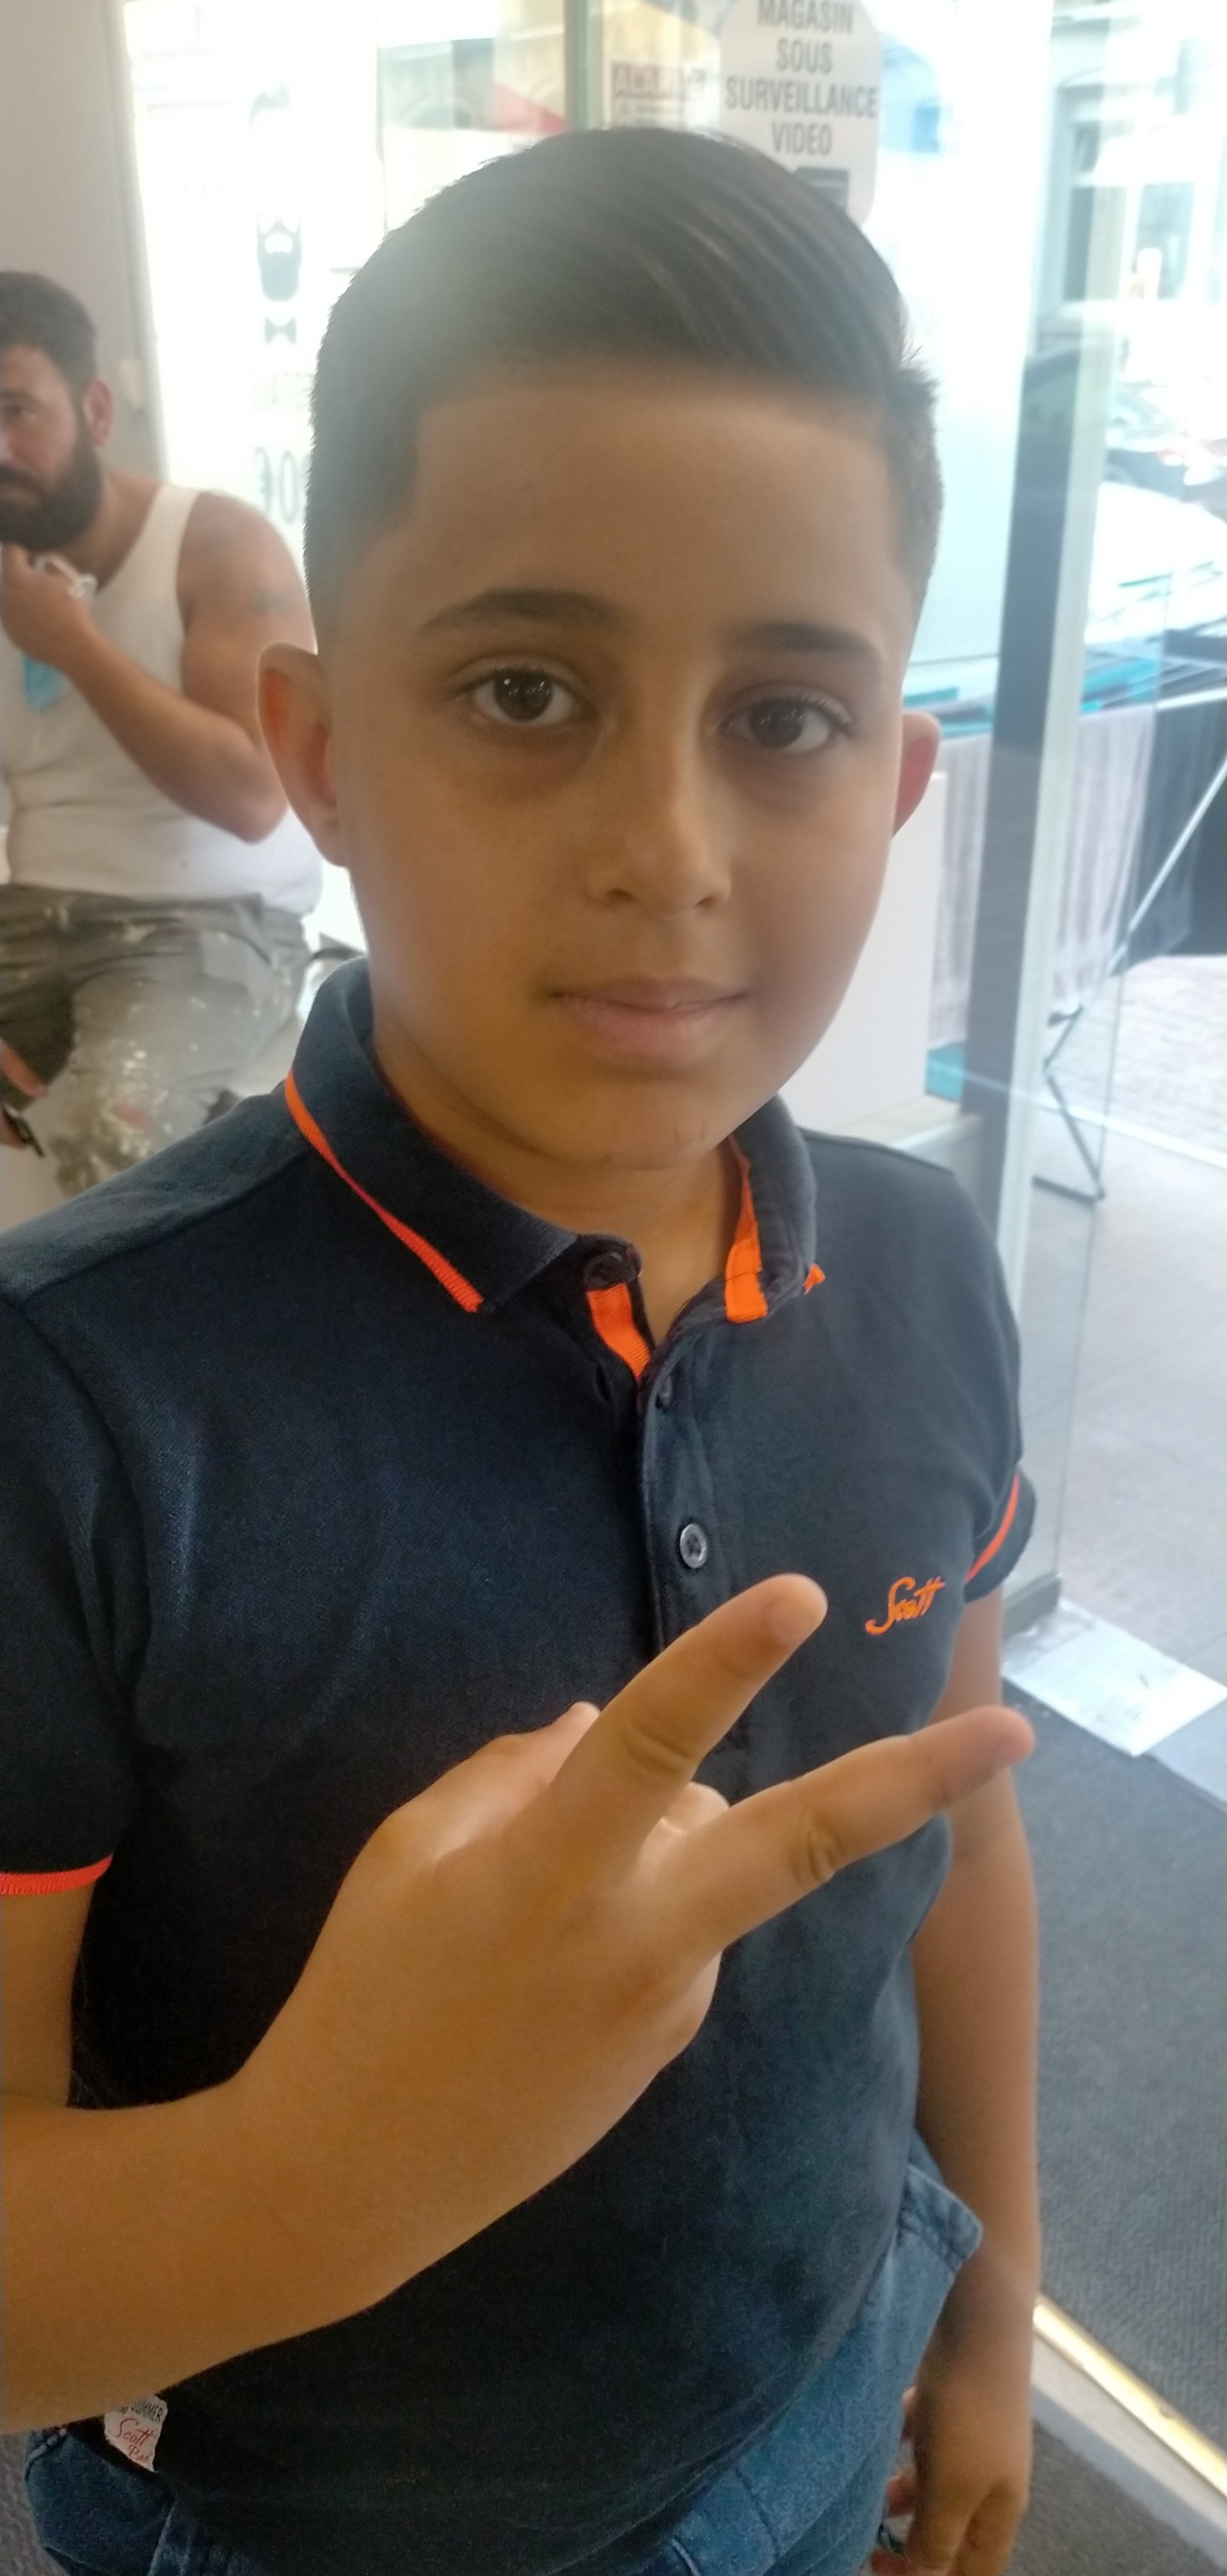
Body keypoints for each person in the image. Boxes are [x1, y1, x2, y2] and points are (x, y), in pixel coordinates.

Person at [1, 131, 1040, 2576]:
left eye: (782, 717)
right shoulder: (73, 1407)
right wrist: (325, 2165)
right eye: (525, 690)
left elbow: (955, 1828)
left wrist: (987, 2294)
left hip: (828, 2372)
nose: (664, 845)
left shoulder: (921, 1265)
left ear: (896, 783)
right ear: (321, 751)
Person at [0, 272, 321, 1197]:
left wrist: (71, 643)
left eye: (17, 411)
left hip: (214, 923)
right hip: (33, 914)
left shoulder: (217, 548)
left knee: (112, 1132)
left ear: (96, 411)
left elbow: (255, 798)